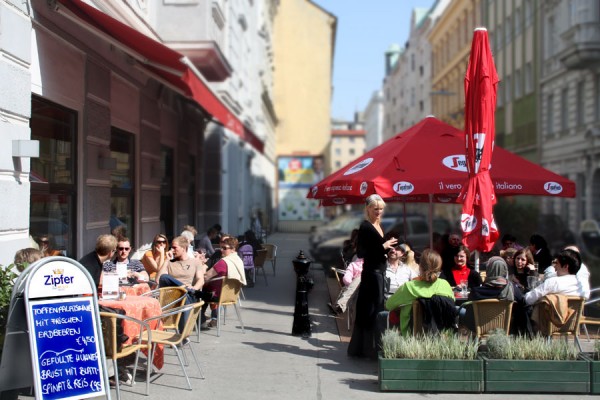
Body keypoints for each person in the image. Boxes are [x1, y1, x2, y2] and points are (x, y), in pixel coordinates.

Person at [347, 194, 397, 358]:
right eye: (375, 209)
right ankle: (366, 348)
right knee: (370, 311)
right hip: (371, 275)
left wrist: (388, 249)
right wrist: (383, 246)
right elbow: (361, 252)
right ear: (368, 209)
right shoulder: (366, 226)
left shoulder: (379, 226)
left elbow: (376, 250)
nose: (379, 212)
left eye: (381, 209)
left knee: (375, 311)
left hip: (379, 273)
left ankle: (371, 347)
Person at [385, 249, 455, 336]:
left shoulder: (409, 287)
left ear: (420, 266)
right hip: (444, 338)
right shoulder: (445, 285)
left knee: (382, 316)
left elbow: (388, 305)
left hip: (411, 338)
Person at [459, 256, 524, 332]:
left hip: (479, 327)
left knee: (461, 311)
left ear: (488, 270)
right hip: (506, 329)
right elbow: (523, 303)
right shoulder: (512, 290)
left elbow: (469, 311)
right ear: (505, 271)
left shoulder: (476, 292)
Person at [157, 236, 207, 330]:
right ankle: (185, 290)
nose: (172, 250)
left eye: (175, 247)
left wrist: (194, 288)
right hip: (172, 298)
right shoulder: (170, 262)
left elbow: (201, 280)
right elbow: (159, 279)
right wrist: (166, 260)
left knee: (186, 296)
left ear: (183, 248)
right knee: (164, 277)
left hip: (189, 295)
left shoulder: (195, 262)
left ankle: (186, 291)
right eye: (171, 247)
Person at [198, 236, 246, 328]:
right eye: (221, 247)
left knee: (196, 293)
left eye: (225, 248)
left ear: (233, 249)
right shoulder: (238, 260)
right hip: (232, 294)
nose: (222, 250)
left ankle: (200, 320)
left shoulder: (223, 262)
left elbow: (206, 276)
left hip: (217, 296)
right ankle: (202, 319)